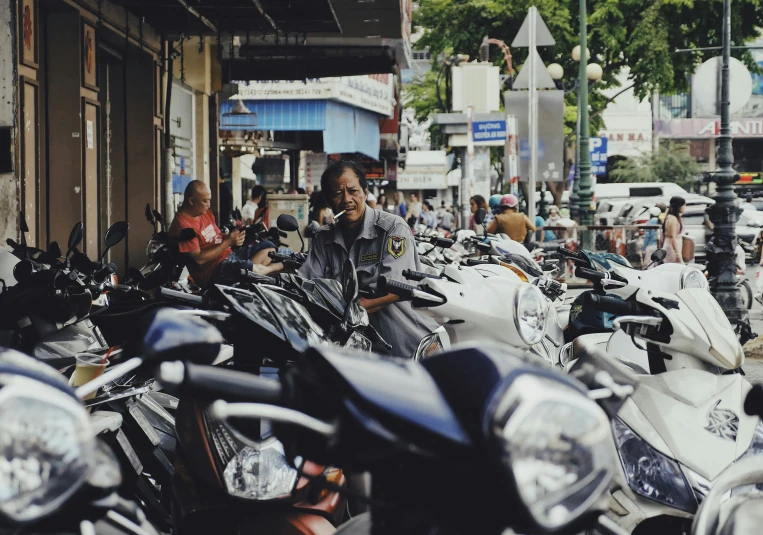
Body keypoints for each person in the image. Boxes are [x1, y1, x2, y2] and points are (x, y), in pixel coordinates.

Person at [299, 160, 436, 357]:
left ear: (364, 191)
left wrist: (351, 312)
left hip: (401, 347)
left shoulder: (393, 229)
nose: (347, 199)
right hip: (349, 351)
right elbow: (307, 284)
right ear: (329, 202)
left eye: (353, 191)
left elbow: (394, 288)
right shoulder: (323, 239)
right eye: (338, 194)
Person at [169, 180, 280, 288]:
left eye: (209, 200)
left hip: (228, 254)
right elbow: (199, 258)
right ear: (192, 201)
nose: (209, 204)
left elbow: (216, 236)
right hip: (212, 270)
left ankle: (251, 274)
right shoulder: (183, 225)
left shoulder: (204, 212)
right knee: (247, 267)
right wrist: (228, 242)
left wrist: (233, 237)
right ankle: (270, 269)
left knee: (269, 247)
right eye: (205, 201)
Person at [663, 196, 686, 264]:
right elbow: (672, 236)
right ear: (679, 206)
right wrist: (677, 253)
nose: (685, 207)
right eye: (684, 205)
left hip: (673, 246)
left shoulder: (672, 217)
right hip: (672, 248)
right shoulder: (673, 218)